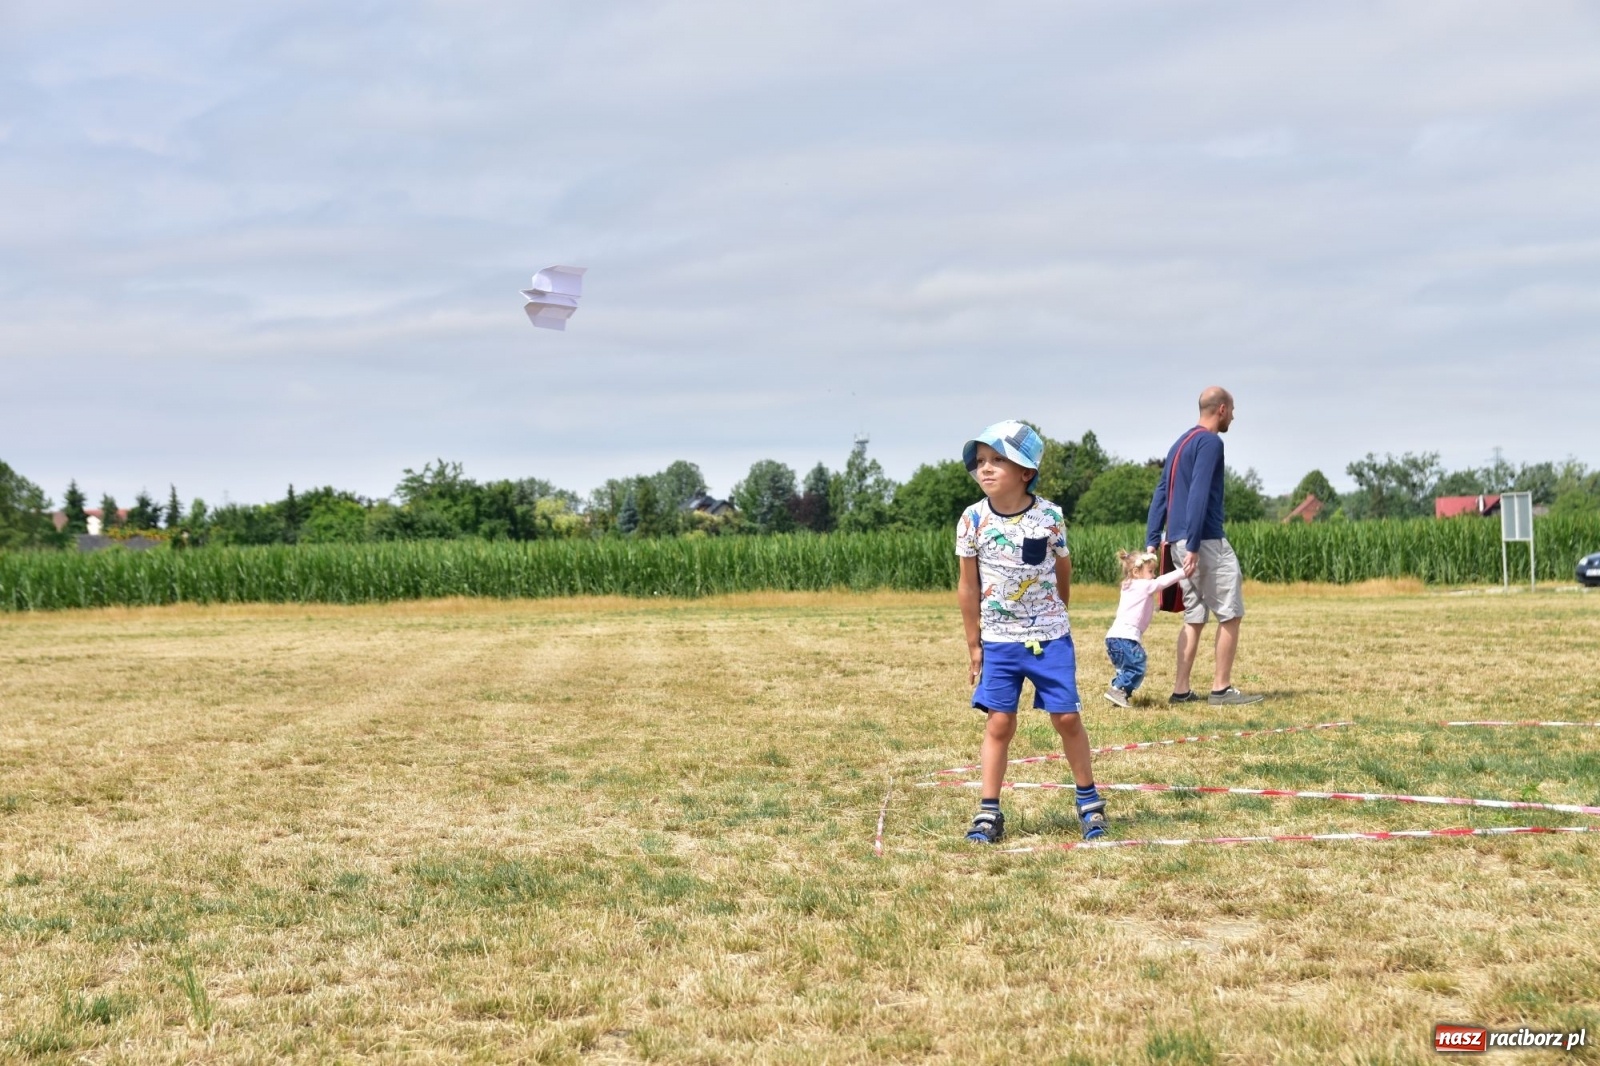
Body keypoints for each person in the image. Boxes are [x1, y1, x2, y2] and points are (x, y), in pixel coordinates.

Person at [956, 420, 1106, 844]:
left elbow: (1062, 568)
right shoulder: (972, 520)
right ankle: (988, 813)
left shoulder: (1050, 515)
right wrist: (974, 643)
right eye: (981, 461)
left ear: (1026, 471)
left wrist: (1056, 613)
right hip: (999, 641)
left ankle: (1089, 803)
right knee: (999, 723)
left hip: (1050, 637)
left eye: (998, 459)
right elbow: (968, 585)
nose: (985, 469)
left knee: (1067, 718)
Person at [1145, 387, 1263, 706]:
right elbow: (1198, 492)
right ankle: (1221, 688)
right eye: (1233, 410)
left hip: (1177, 540)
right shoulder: (1210, 442)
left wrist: (1153, 541)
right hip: (1204, 540)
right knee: (1231, 611)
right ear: (1221, 409)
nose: (1234, 417)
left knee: (1194, 615)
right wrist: (1196, 544)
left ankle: (1181, 690)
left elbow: (1161, 493)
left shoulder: (1178, 443)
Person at [1102, 548, 1186, 707]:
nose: (1153, 575)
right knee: (1137, 666)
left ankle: (1119, 695)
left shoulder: (1128, 585)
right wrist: (1184, 571)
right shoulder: (1144, 586)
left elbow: (1142, 606)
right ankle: (1117, 689)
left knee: (1125, 669)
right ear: (1136, 572)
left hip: (1114, 638)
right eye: (1150, 571)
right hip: (1125, 638)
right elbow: (1162, 582)